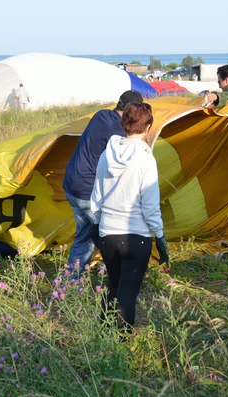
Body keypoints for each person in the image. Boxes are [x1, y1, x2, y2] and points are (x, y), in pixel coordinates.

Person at [90, 102, 169, 330]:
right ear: (148, 127)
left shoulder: (107, 153)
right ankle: (121, 344)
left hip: (108, 234)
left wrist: (97, 224)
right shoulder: (145, 159)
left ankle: (104, 336)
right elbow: (150, 206)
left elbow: (97, 195)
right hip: (136, 236)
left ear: (124, 123)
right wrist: (161, 238)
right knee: (127, 292)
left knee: (113, 284)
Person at [62, 90, 144, 273]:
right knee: (113, 234)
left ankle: (72, 282)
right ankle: (120, 275)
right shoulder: (119, 134)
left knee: (85, 235)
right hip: (87, 192)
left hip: (71, 184)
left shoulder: (101, 115)